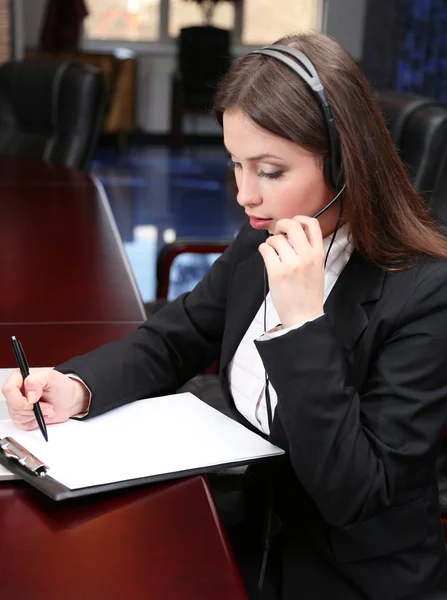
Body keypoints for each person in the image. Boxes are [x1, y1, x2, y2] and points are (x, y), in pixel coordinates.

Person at [3, 31, 447, 600]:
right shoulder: (268, 232)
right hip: (254, 526)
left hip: (352, 573)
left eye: (269, 170)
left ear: (346, 163)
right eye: (237, 164)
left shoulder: (426, 292)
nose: (245, 196)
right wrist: (75, 386)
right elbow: (181, 332)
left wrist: (302, 322)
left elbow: (351, 493)